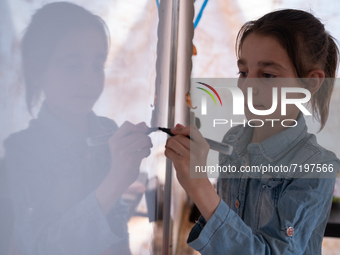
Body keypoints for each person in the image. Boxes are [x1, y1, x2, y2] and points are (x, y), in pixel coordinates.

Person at [165, 9, 340, 254]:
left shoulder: (316, 167)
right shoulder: (232, 141)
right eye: (243, 72)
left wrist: (199, 187)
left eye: (267, 75)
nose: (247, 87)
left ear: (310, 83)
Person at [3, 2, 152, 255]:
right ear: (36, 70)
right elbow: (41, 246)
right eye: (72, 66)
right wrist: (116, 179)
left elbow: (116, 229)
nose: (89, 80)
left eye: (97, 65)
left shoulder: (107, 131)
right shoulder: (22, 151)